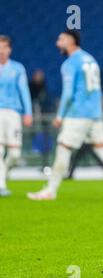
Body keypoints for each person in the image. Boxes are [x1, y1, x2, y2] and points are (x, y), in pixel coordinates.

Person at [27, 30, 103, 201]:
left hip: (78, 114)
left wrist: (60, 115)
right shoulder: (91, 60)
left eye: (60, 39)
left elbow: (68, 93)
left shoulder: (70, 63)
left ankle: (50, 190)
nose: (57, 43)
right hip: (95, 113)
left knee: (63, 147)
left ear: (70, 40)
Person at [0, 35, 33, 197]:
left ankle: (3, 173)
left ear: (9, 49)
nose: (1, 50)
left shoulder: (18, 68)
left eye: (4, 47)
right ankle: (1, 185)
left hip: (13, 113)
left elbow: (24, 91)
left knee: (14, 154)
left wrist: (28, 112)